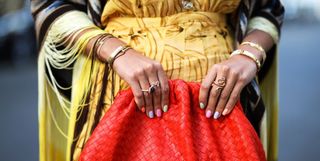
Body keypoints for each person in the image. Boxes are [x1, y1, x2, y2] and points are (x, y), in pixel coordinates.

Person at [31, 0, 284, 160]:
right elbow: (52, 4)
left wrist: (249, 54)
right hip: (122, 90)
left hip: (223, 98)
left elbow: (268, 7)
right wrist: (116, 52)